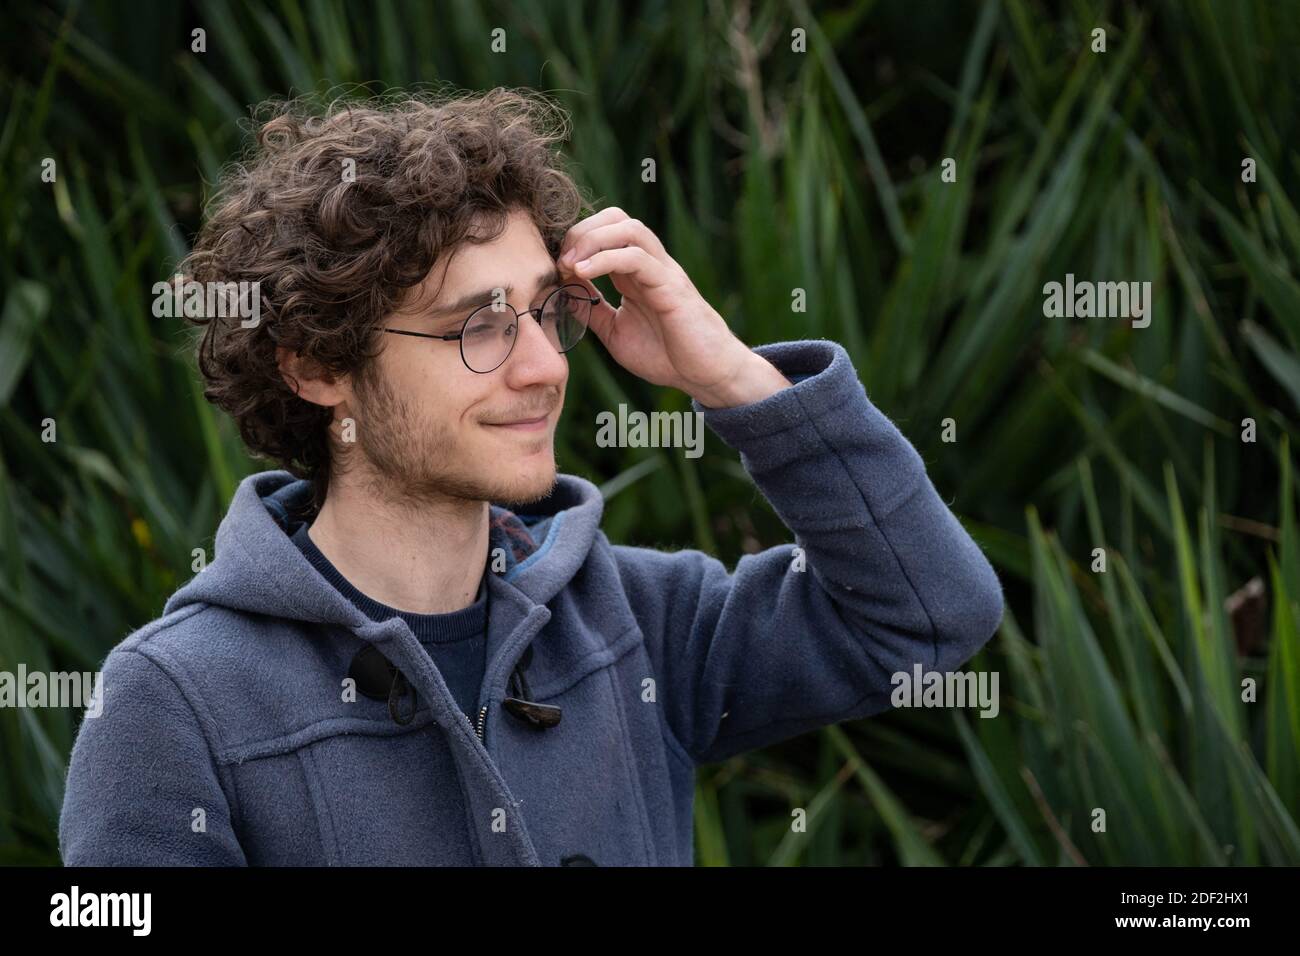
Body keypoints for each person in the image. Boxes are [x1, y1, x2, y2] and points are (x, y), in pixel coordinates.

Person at [59, 88, 1004, 866]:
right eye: (477, 325)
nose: (545, 367)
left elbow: (927, 617)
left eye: (545, 313)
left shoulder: (636, 619)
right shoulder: (174, 702)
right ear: (316, 367)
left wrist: (732, 378)